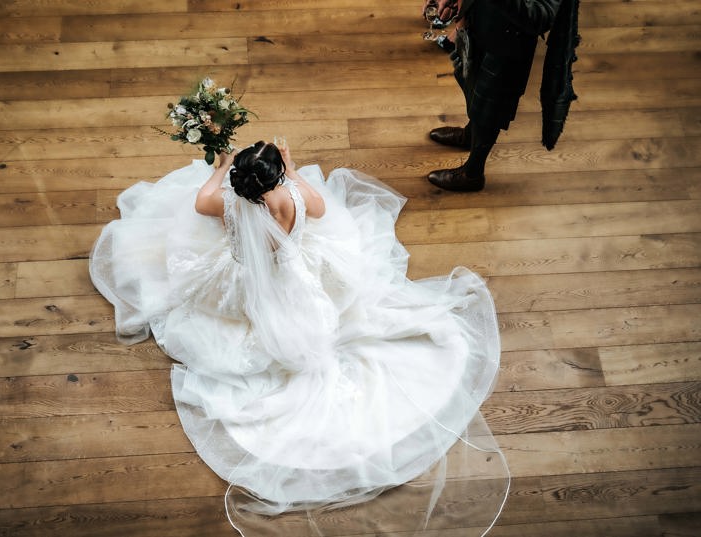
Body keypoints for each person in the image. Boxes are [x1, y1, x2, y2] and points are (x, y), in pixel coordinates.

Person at [89, 142, 508, 535]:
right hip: (296, 273)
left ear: (242, 182)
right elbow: (322, 208)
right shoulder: (294, 199)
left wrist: (219, 167)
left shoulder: (229, 206)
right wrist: (292, 172)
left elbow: (201, 202)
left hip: (253, 282)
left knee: (190, 273)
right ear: (276, 178)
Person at [424, 0, 571, 192]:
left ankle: (472, 174)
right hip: (479, 26)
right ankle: (470, 135)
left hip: (508, 47)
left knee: (490, 109)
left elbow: (542, 17)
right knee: (470, 85)